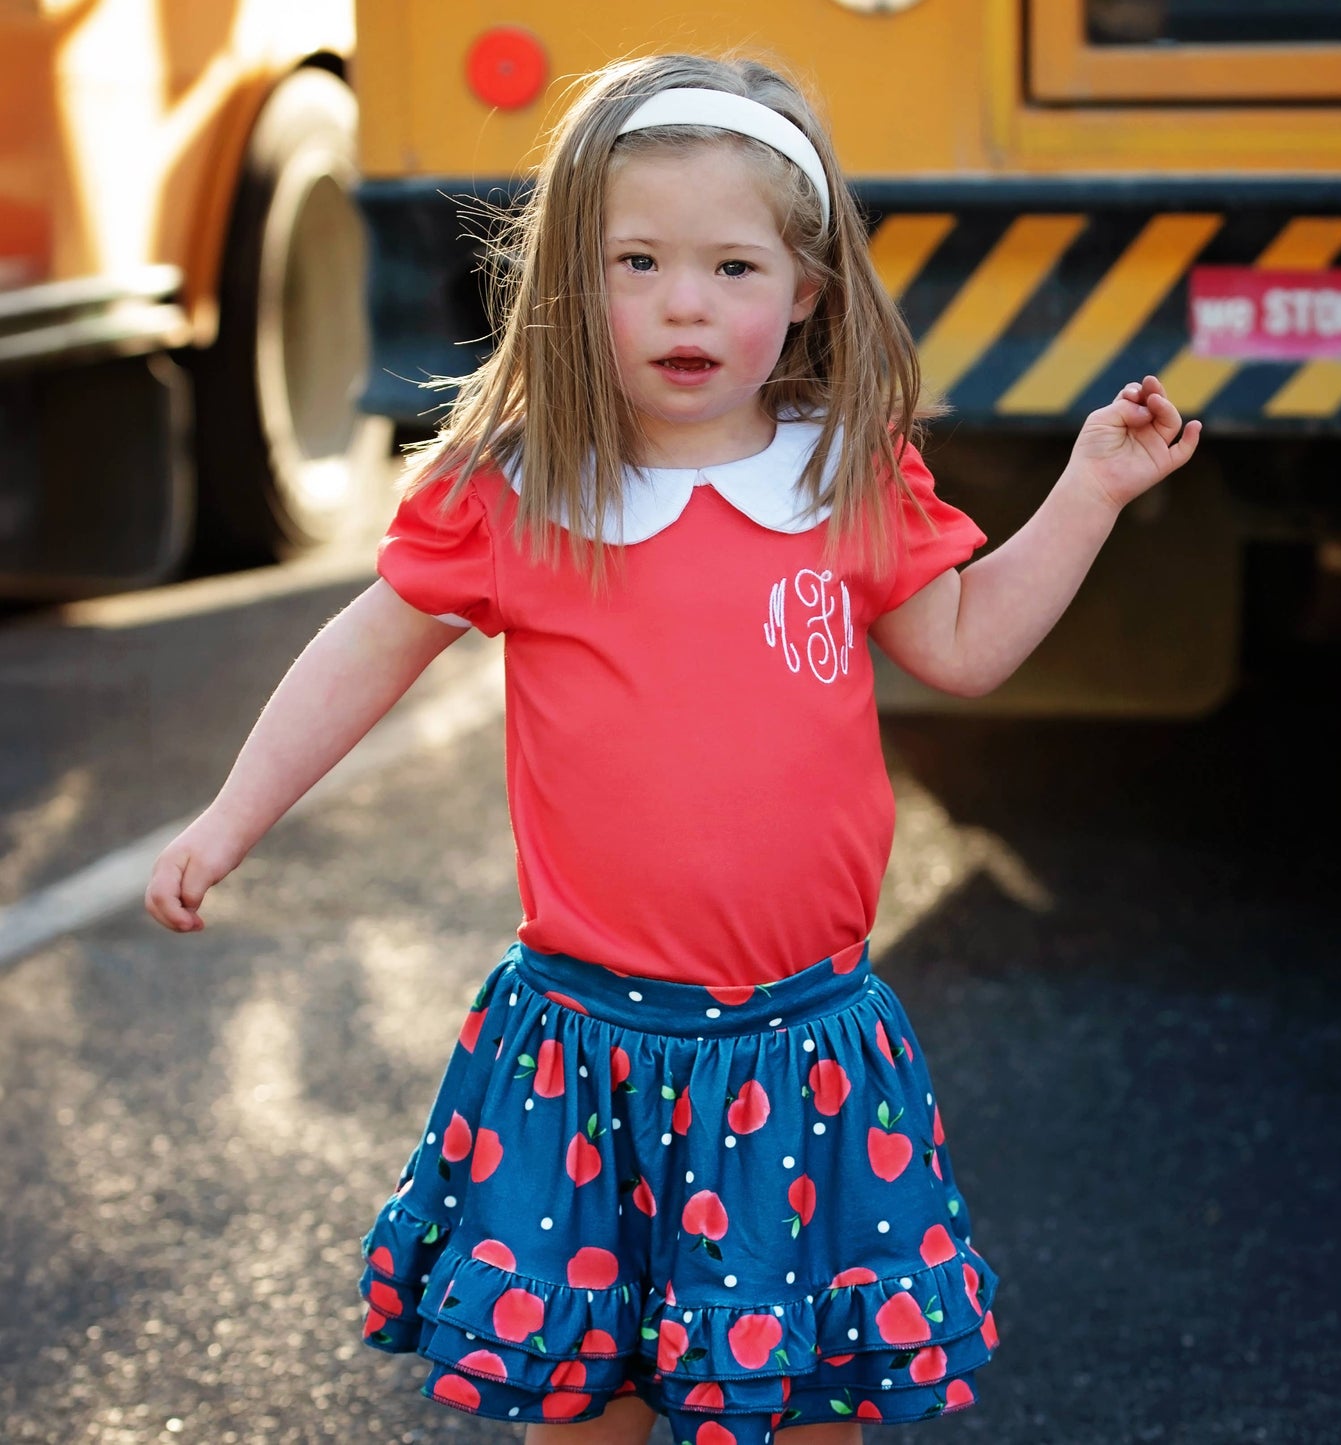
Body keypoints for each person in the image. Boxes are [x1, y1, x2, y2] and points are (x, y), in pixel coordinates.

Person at [145, 51, 1201, 1445]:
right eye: (636, 261)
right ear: (573, 284)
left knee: (815, 1391)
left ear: (808, 290)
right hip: (584, 1056)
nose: (683, 301)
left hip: (805, 1052)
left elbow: (962, 642)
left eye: (731, 268)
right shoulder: (522, 488)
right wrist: (228, 819)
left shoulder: (840, 470)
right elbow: (363, 649)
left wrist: (1086, 489)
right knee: (591, 1402)